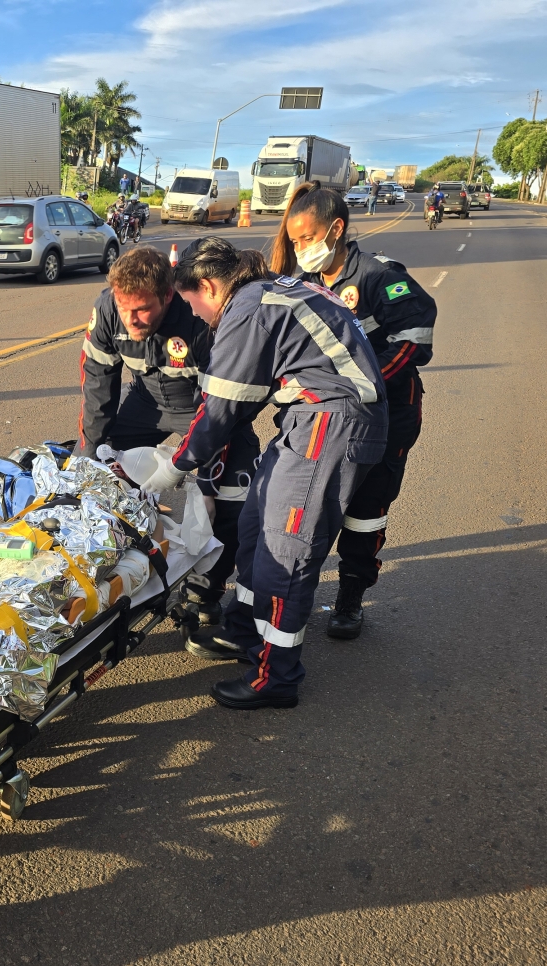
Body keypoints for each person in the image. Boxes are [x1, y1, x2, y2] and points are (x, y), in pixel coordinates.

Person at [142, 238, 387, 709]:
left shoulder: (248, 307)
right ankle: (244, 633)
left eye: (192, 301)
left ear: (209, 286)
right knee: (255, 528)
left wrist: (176, 465)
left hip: (329, 423)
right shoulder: (268, 291)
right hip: (311, 420)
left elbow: (220, 409)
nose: (193, 314)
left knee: (285, 550)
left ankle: (275, 677)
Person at [272, 181, 436, 638]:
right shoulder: (304, 284)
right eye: (295, 241)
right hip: (326, 420)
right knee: (309, 508)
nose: (301, 248)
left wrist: (364, 386)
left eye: (307, 238)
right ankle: (294, 593)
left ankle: (350, 599)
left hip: (386, 418)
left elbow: (415, 336)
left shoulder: (378, 276)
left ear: (336, 229)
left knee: (365, 512)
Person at [77, 245, 260, 620]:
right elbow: (98, 385)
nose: (132, 319)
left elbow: (220, 411)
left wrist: (207, 483)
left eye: (143, 309)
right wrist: (91, 450)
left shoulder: (200, 320)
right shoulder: (110, 310)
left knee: (229, 495)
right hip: (145, 403)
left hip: (201, 407)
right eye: (125, 307)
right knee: (102, 474)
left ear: (168, 295)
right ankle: (106, 570)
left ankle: (204, 593)